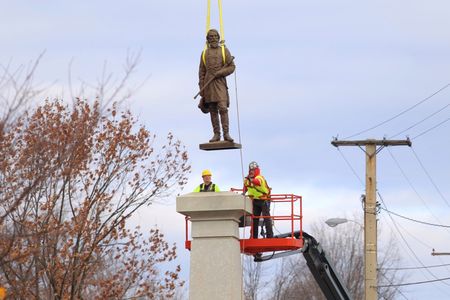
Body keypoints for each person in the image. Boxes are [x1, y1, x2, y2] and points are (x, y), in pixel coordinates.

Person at [198, 29, 236, 143]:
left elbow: (232, 67)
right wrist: (201, 88)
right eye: (211, 37)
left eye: (215, 36)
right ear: (208, 39)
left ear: (218, 38)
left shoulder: (224, 51)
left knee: (223, 108)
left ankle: (226, 133)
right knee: (213, 109)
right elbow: (201, 72)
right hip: (208, 84)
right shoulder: (204, 53)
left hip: (220, 83)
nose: (213, 38)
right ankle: (216, 134)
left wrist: (221, 73)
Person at [243, 161, 273, 239]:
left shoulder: (259, 178)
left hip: (264, 199)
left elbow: (257, 182)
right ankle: (254, 236)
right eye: (250, 170)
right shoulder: (247, 179)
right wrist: (243, 193)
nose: (251, 172)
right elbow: (245, 187)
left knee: (266, 218)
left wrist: (250, 179)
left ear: (256, 170)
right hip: (255, 201)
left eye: (253, 170)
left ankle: (270, 236)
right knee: (255, 219)